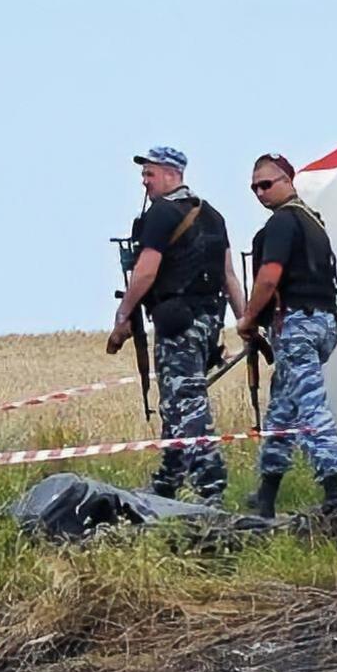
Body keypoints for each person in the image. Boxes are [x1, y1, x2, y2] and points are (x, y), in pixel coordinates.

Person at [107, 146, 246, 504]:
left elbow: (145, 272)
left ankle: (210, 486)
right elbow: (229, 275)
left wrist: (123, 314)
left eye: (150, 174)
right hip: (209, 321)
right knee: (175, 401)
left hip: (178, 323)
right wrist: (244, 319)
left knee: (186, 403)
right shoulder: (212, 215)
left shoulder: (161, 213)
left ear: (172, 174)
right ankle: (167, 481)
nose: (144, 181)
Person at [236, 153, 337, 519]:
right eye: (254, 188)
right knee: (283, 409)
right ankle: (266, 493)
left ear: (288, 180)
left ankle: (335, 487)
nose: (260, 193)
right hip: (322, 321)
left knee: (310, 405)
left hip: (297, 324)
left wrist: (248, 318)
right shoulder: (312, 221)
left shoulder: (283, 222)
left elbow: (269, 277)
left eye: (266, 184)